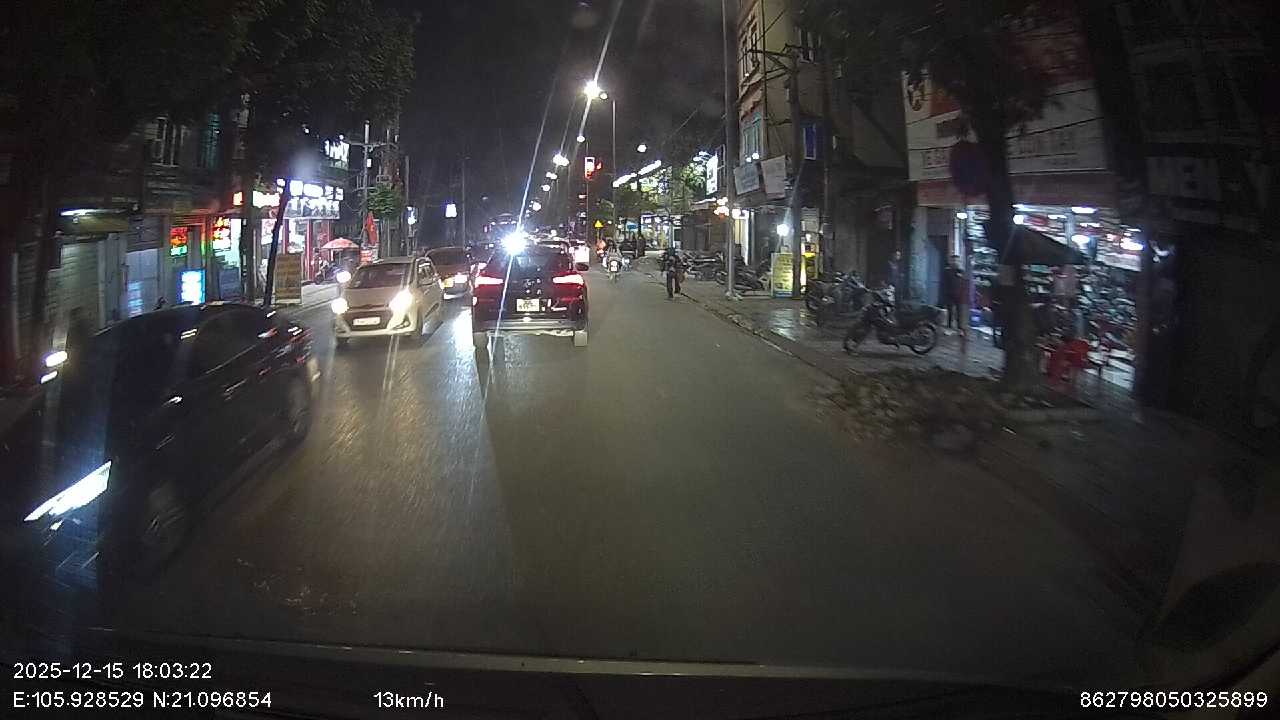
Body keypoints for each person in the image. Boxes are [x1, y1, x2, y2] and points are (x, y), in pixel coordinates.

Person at [941, 255, 964, 330]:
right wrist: (944, 294)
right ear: (950, 261)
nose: (955, 262)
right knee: (950, 310)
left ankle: (959, 326)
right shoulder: (947, 271)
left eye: (957, 260)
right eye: (953, 260)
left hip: (959, 294)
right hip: (949, 294)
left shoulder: (961, 272)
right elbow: (943, 283)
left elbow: (964, 283)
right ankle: (949, 325)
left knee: (959, 311)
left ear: (959, 262)